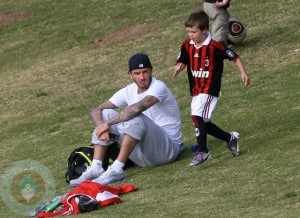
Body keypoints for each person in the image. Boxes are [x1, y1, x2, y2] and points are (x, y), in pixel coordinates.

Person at [70, 53, 184, 186]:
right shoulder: (128, 90)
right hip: (141, 157)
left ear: (151, 71)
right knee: (106, 112)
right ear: (130, 74)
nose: (142, 77)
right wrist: (102, 126)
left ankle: (117, 168)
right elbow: (96, 110)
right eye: (137, 73)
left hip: (167, 150)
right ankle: (96, 167)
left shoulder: (159, 87)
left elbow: (136, 109)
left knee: (134, 115)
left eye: (145, 72)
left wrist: (108, 124)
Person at [173, 9, 250, 166]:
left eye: (194, 32)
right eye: (188, 32)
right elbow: (183, 59)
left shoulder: (215, 47)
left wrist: (244, 73)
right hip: (196, 90)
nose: (191, 35)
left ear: (205, 30)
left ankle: (203, 151)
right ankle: (230, 138)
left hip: (209, 89)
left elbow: (234, 57)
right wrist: (179, 67)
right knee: (204, 123)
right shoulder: (187, 45)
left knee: (196, 116)